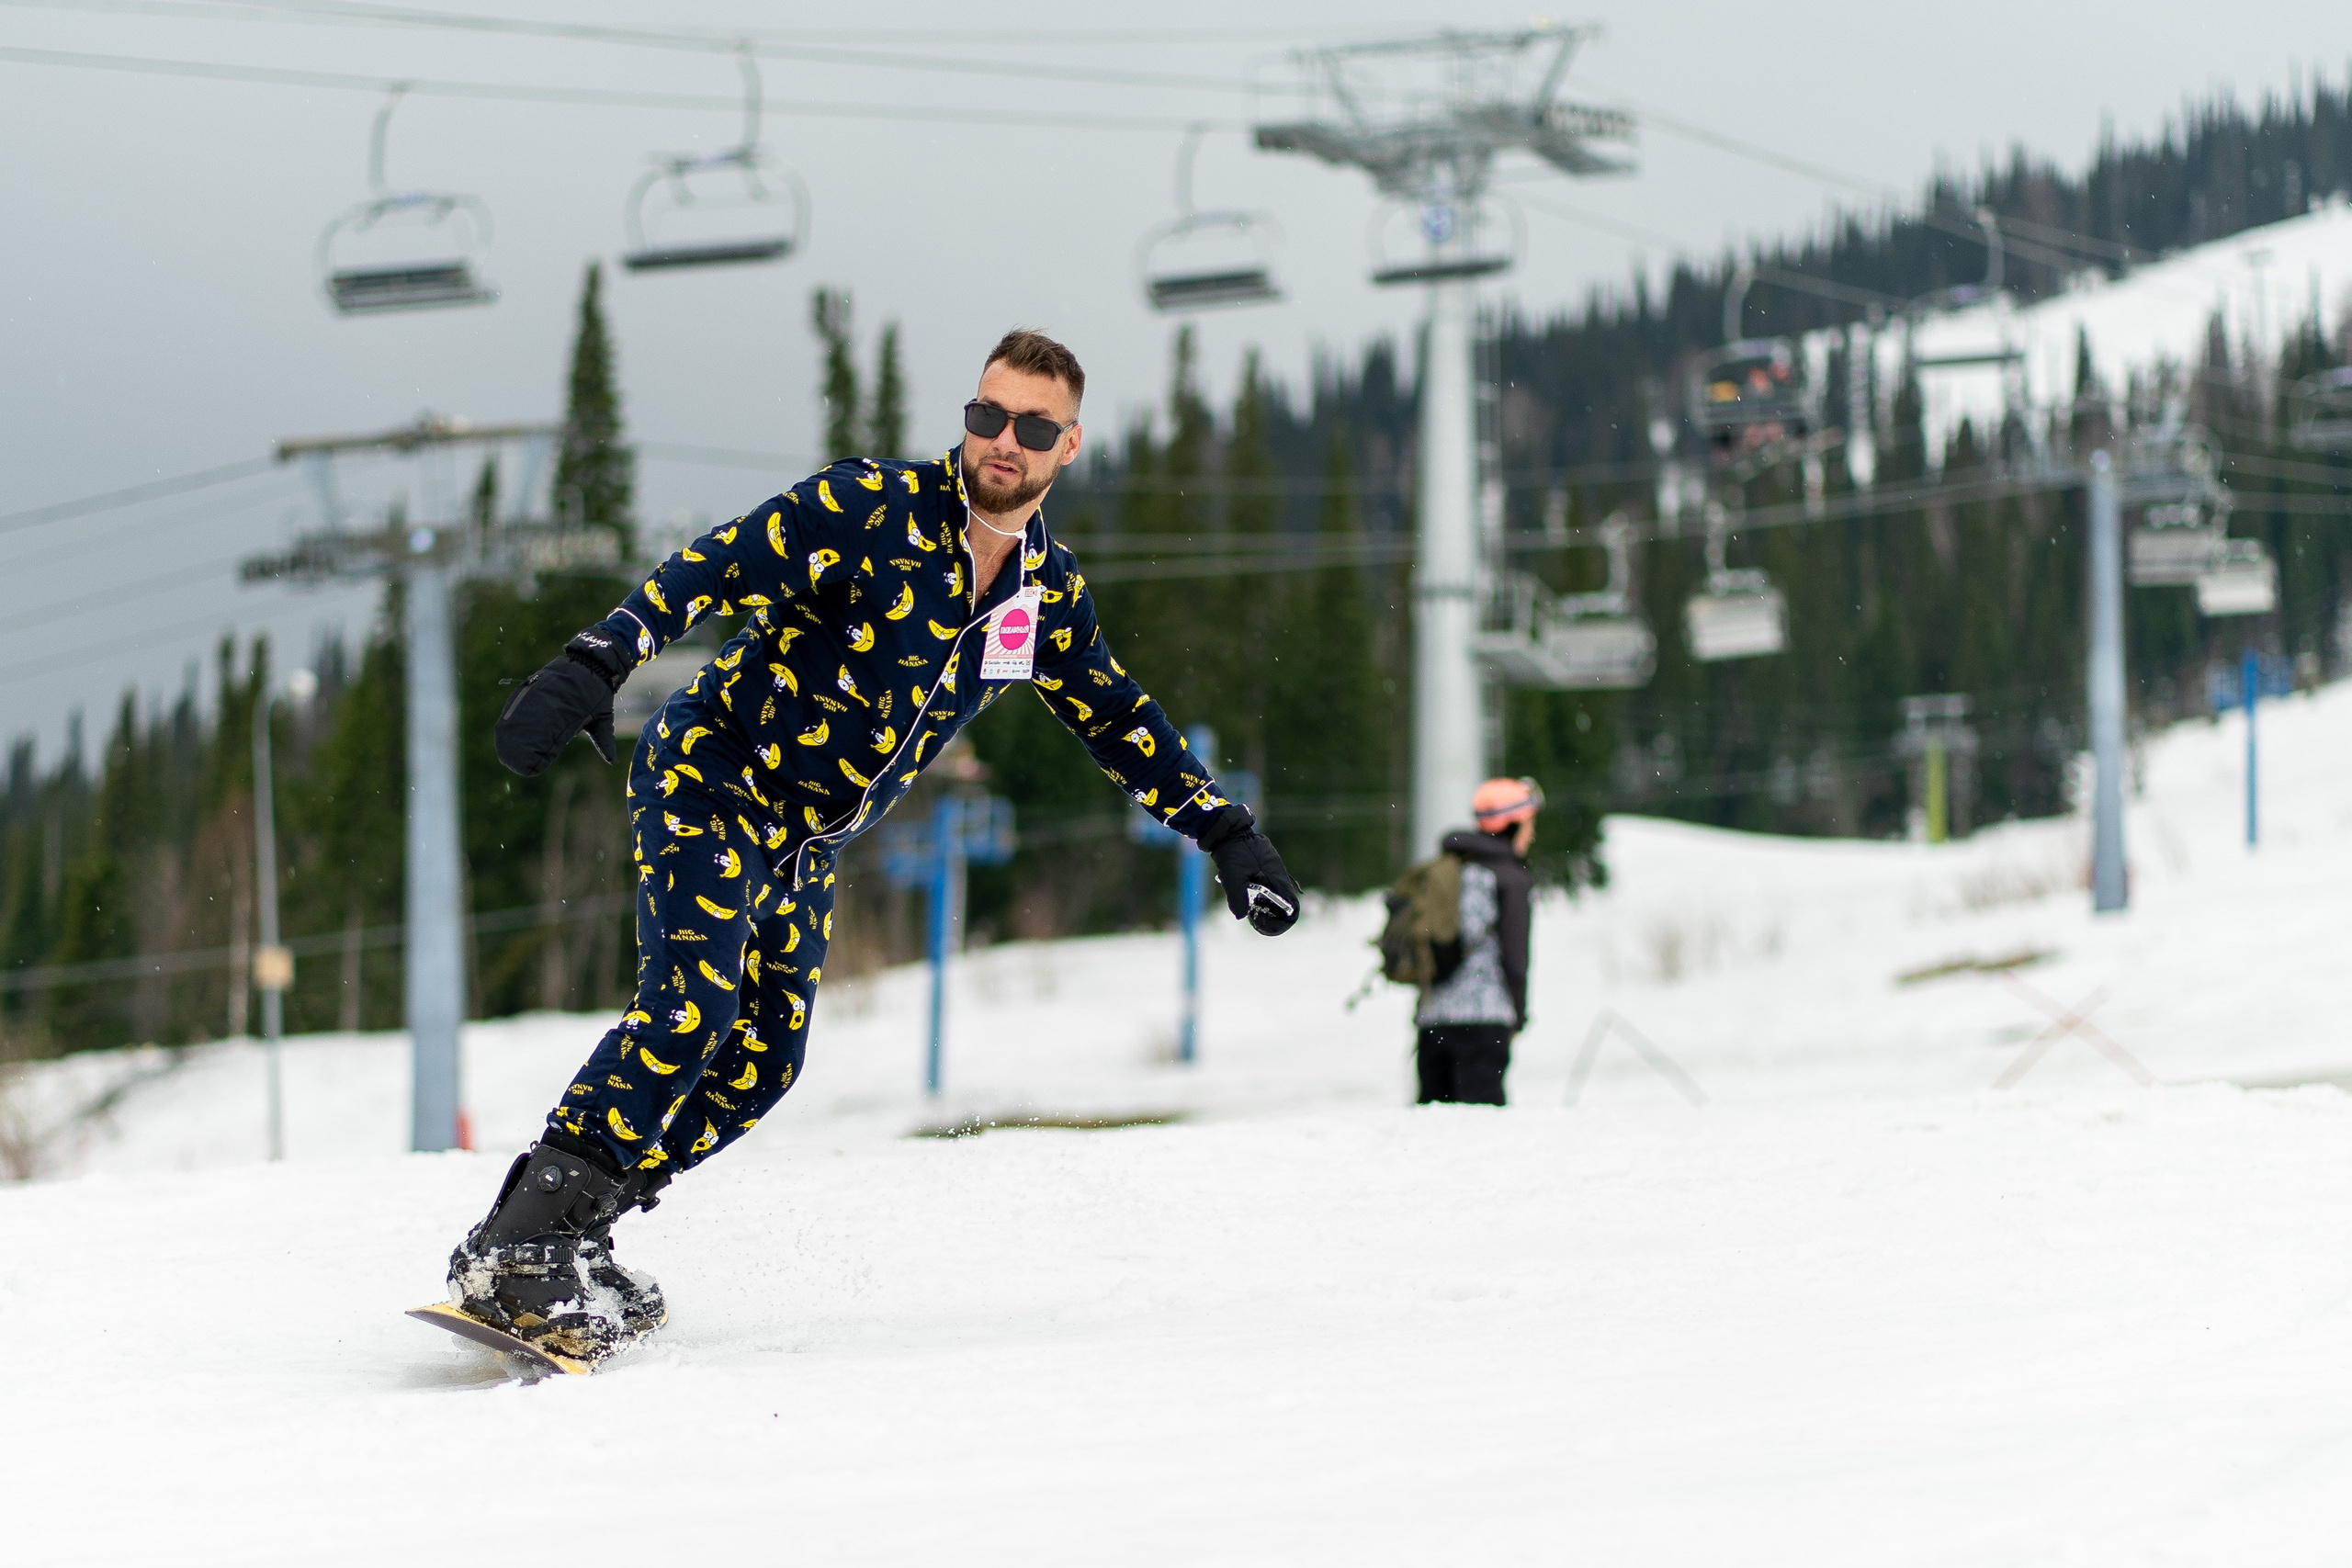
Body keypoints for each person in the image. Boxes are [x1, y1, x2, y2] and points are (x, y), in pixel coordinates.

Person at [447, 329, 1301, 1360]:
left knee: (764, 1061)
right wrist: (602, 655)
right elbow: (720, 562)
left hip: (806, 840)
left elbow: (1116, 717)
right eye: (987, 416)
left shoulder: (1043, 595)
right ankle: (522, 1242)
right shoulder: (873, 509)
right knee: (691, 1009)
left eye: (1032, 428)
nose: (1003, 442)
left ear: (1068, 446)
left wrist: (1224, 829)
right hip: (714, 775)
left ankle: (580, 1228)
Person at [1413, 777, 1538, 1106]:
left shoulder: (1449, 869)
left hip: (1433, 1020)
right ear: (1512, 824)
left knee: (1433, 1125)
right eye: (1529, 824)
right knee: (1482, 1128)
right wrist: (1518, 1012)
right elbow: (1515, 957)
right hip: (1485, 1020)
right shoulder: (1509, 877)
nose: (1531, 834)